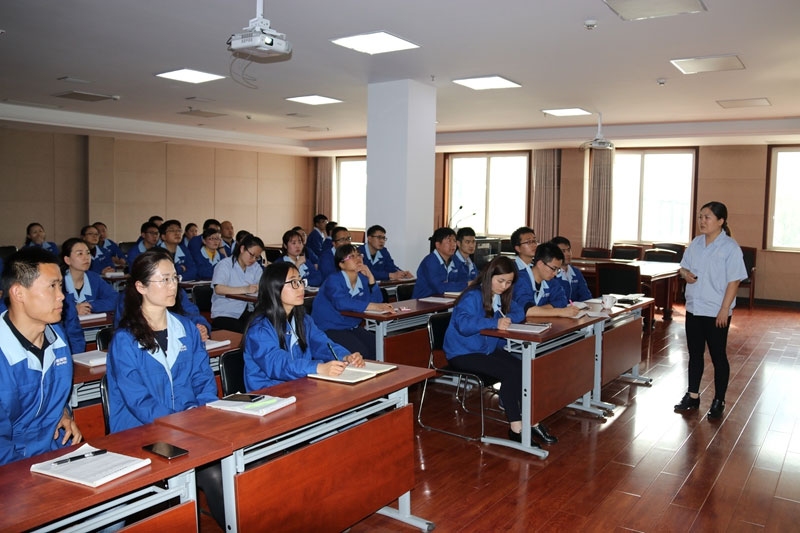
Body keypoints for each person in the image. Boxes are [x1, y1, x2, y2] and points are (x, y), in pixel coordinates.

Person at [104, 249, 223, 526]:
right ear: (141, 287)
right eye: (164, 279)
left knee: (228, 467)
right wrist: (181, 425)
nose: (173, 286)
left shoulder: (187, 329)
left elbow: (203, 379)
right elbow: (139, 402)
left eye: (175, 278)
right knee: (213, 472)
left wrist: (202, 414)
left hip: (188, 427)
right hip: (140, 434)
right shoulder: (125, 340)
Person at [443, 255, 556, 447]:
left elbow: (520, 311)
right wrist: (494, 322)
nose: (504, 286)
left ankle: (531, 419)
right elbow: (463, 324)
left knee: (523, 367)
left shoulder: (501, 296)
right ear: (489, 276)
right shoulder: (473, 295)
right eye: (500, 281)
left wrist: (506, 318)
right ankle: (516, 427)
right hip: (462, 353)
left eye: (509, 282)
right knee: (510, 371)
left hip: (485, 349)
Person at [0, 247, 82, 465]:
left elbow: (49, 395)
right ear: (18, 293)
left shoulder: (58, 338)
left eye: (61, 286)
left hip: (53, 453)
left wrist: (63, 411)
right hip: (12, 466)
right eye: (52, 286)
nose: (61, 295)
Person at [674, 201, 747, 420]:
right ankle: (693, 396)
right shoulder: (696, 243)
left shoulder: (730, 247)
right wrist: (685, 274)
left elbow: (734, 281)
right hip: (694, 308)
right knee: (695, 354)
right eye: (700, 217)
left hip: (716, 311)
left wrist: (725, 309)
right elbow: (682, 267)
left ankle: (719, 400)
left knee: (718, 356)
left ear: (721, 221)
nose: (702, 221)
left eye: (707, 217)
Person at [243, 262, 364, 390]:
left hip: (299, 386)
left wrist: (345, 356)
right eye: (294, 282)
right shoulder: (260, 329)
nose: (301, 287)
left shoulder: (304, 320)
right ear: (274, 287)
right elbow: (277, 364)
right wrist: (317, 368)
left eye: (301, 281)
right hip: (269, 393)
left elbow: (322, 344)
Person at [311, 244, 394, 358]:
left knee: (381, 347)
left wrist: (371, 279)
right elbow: (341, 303)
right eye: (351, 256)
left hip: (351, 326)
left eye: (359, 255)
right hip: (330, 327)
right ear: (341, 264)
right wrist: (373, 306)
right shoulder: (333, 280)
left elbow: (377, 302)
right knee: (361, 352)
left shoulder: (363, 279)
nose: (358, 258)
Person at [510, 228, 579, 318]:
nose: (555, 274)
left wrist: (538, 310)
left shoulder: (550, 279)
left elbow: (562, 300)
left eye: (558, 270)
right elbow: (526, 310)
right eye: (553, 269)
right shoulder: (521, 278)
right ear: (540, 264)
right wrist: (558, 311)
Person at [210, 235, 265, 333]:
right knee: (248, 331)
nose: (253, 259)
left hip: (248, 311)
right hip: (226, 312)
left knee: (264, 328)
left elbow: (261, 285)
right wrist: (245, 289)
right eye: (251, 255)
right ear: (242, 249)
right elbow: (218, 289)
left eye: (257, 257)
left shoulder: (256, 267)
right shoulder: (225, 265)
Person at [60, 238, 117, 316]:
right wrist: (72, 309)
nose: (86, 257)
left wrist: (89, 306)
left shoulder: (94, 278)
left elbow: (115, 299)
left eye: (88, 253)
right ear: (67, 260)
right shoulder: (57, 280)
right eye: (80, 254)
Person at [412, 227, 470, 298]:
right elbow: (440, 287)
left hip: (444, 300)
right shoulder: (430, 262)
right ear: (438, 245)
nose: (453, 244)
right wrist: (466, 285)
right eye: (449, 241)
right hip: (423, 301)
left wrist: (467, 284)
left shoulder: (455, 260)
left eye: (454, 241)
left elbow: (464, 279)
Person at [550, 236, 593, 302]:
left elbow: (586, 296)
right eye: (563, 251)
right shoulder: (551, 274)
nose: (568, 254)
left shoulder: (576, 272)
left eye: (569, 250)